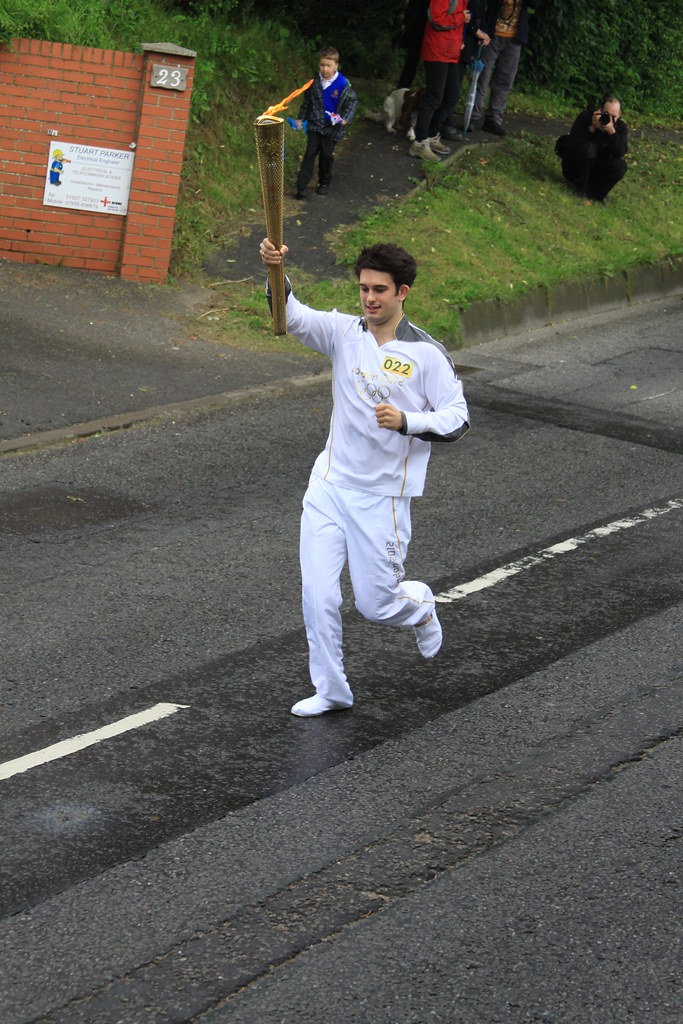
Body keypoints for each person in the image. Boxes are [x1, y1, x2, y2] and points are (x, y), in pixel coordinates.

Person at [259, 236, 470, 716]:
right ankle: (332, 689)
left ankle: (419, 606)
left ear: (403, 293)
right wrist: (275, 271)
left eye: (380, 290)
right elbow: (290, 315)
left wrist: (409, 421)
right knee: (318, 595)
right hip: (330, 486)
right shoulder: (343, 333)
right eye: (363, 289)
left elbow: (458, 419)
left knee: (375, 606)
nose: (369, 298)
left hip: (382, 500)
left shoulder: (427, 354)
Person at [409, 0, 471, 162]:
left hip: (450, 51)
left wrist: (459, 41)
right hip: (436, 50)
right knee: (434, 96)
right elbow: (437, 19)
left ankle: (431, 134)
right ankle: (420, 142)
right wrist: (460, 18)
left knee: (452, 95)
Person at [470, 0, 543, 137]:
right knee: (481, 77)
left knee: (505, 80)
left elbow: (535, 3)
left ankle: (494, 119)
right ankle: (472, 117)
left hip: (514, 38)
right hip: (492, 34)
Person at [294, 46, 358, 199]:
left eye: (328, 65)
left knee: (326, 155)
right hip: (315, 124)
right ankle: (301, 187)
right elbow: (307, 102)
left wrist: (345, 119)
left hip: (332, 127)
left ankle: (324, 182)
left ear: (336, 65)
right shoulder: (315, 81)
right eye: (322, 65)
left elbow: (352, 102)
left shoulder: (343, 84)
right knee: (310, 153)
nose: (325, 69)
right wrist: (301, 118)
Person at [555, 97, 628, 202]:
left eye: (614, 117)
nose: (609, 120)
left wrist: (612, 133)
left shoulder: (620, 127)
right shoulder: (586, 117)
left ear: (619, 114)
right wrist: (592, 128)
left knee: (621, 166)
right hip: (575, 165)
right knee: (588, 148)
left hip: (597, 167)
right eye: (606, 115)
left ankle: (596, 194)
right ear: (600, 110)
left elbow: (620, 152)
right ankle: (578, 187)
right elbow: (571, 143)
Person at [440, 0, 491, 140]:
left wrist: (484, 33)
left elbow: (479, 16)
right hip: (459, 45)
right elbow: (465, 17)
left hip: (467, 46)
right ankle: (444, 123)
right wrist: (477, 32)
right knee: (451, 87)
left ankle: (444, 121)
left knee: (455, 84)